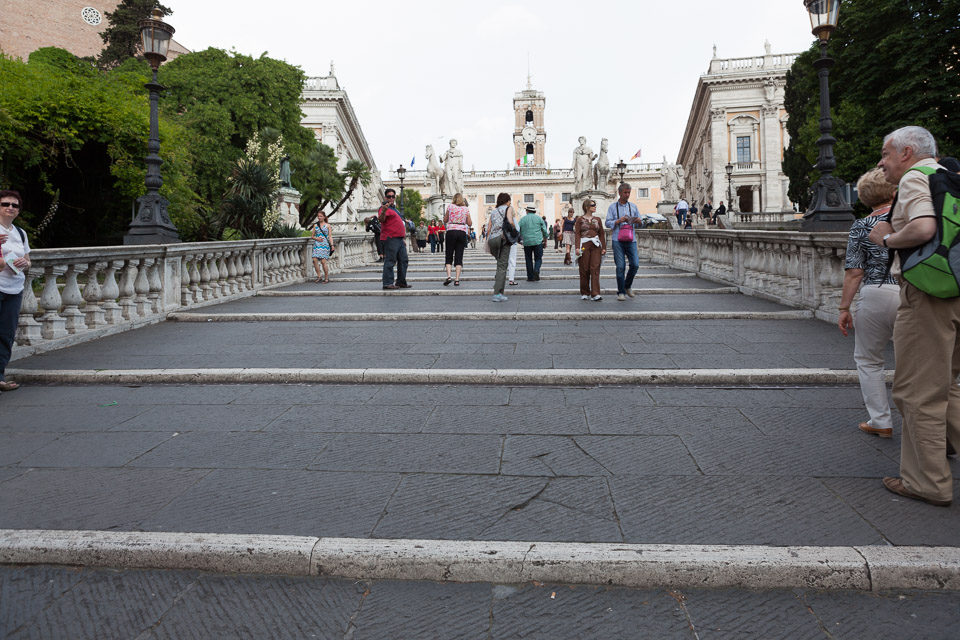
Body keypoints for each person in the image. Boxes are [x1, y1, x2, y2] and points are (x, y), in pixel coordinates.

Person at [867, 125, 955, 507]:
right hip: (957, 288)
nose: (882, 164)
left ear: (906, 152)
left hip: (929, 294)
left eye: (886, 154)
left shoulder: (917, 177)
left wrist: (886, 238)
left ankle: (927, 482)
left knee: (917, 392)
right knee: (949, 387)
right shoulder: (950, 176)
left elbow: (922, 227)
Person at [837, 169, 899, 439]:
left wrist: (844, 308)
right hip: (909, 292)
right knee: (918, 362)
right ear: (894, 191)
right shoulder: (907, 219)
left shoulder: (861, 226)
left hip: (873, 293)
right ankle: (929, 424)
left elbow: (854, 271)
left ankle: (880, 420)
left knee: (869, 360)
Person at [0, 190, 31, 392]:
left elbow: (28, 261)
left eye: (15, 205)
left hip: (14, 289)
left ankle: (0, 376)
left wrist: (23, 262)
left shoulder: (20, 233)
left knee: (6, 334)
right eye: (5, 204)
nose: (10, 208)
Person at [605, 182, 642, 301]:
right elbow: (607, 222)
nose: (627, 195)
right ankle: (621, 292)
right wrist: (618, 221)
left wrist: (637, 221)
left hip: (631, 239)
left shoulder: (633, 207)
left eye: (629, 193)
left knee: (635, 264)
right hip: (617, 239)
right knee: (620, 266)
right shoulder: (612, 207)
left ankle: (627, 285)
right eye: (625, 192)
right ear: (619, 193)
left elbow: (641, 222)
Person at [378, 189, 411, 290]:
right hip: (390, 237)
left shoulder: (395, 209)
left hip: (399, 239)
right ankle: (387, 282)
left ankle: (401, 281)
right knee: (391, 260)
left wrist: (402, 239)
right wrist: (384, 210)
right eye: (389, 196)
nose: (391, 198)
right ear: (385, 197)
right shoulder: (384, 208)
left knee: (404, 260)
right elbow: (381, 220)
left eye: (393, 196)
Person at [575, 199, 606, 301]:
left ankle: (595, 293)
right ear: (587, 207)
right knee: (584, 268)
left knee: (595, 268)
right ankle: (585, 292)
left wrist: (604, 247)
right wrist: (577, 247)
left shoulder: (597, 219)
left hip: (596, 245)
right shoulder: (580, 219)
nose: (595, 207)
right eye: (593, 205)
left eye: (595, 205)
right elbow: (577, 234)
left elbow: (601, 233)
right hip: (584, 245)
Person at [486, 192, 515, 302]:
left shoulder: (493, 211)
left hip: (492, 240)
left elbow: (488, 228)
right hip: (503, 238)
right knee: (502, 267)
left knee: (500, 265)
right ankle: (497, 294)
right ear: (507, 201)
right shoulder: (509, 208)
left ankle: (498, 287)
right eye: (509, 201)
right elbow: (510, 221)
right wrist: (514, 229)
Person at [443, 193, 472, 286]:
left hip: (451, 231)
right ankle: (457, 279)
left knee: (449, 254)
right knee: (459, 255)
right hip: (461, 232)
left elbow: (445, 220)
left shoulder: (450, 207)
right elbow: (470, 223)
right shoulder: (466, 209)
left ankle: (448, 276)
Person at [518, 205, 548, 281]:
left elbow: (517, 230)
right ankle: (536, 269)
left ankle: (530, 277)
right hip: (538, 241)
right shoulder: (539, 218)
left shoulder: (522, 219)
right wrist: (545, 240)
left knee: (528, 259)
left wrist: (519, 239)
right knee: (538, 258)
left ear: (527, 211)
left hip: (527, 242)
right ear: (534, 211)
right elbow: (544, 230)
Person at [311, 211, 333, 283]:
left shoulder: (328, 225)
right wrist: (316, 238)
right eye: (318, 216)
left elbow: (330, 236)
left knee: (323, 261)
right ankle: (319, 276)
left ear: (324, 217)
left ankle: (326, 278)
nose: (319, 217)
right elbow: (312, 236)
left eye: (321, 216)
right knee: (314, 260)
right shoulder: (315, 225)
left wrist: (332, 245)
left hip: (325, 245)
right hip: (317, 244)